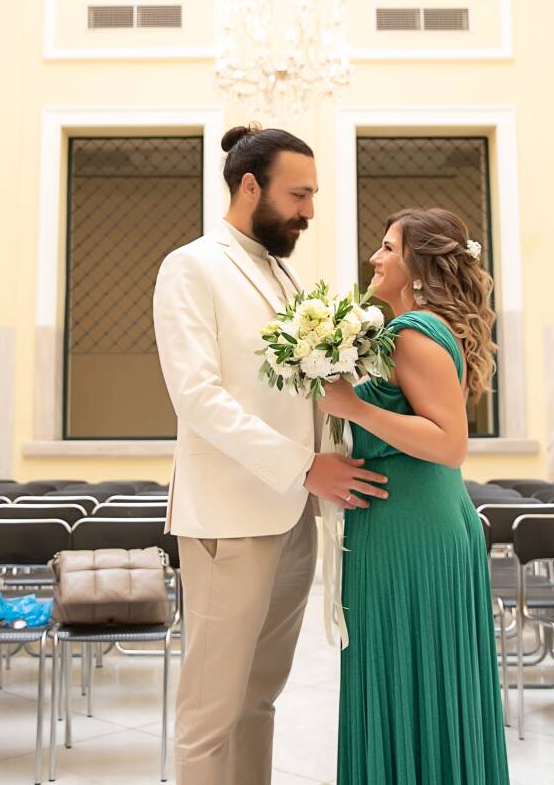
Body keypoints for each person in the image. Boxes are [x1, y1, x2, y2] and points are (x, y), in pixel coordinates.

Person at [153, 123, 389, 785]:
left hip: (292, 520)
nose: (309, 211)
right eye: (298, 195)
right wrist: (306, 467)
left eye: (312, 196)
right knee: (211, 711)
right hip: (230, 520)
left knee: (259, 700)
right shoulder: (192, 266)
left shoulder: (284, 275)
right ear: (250, 186)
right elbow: (197, 397)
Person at [318, 207, 510, 785]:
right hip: (409, 518)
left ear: (418, 264)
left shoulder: (413, 333)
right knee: (416, 672)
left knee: (407, 668)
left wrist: (352, 407)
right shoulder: (413, 329)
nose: (373, 258)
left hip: (412, 529)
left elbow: (450, 444)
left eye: (387, 248)